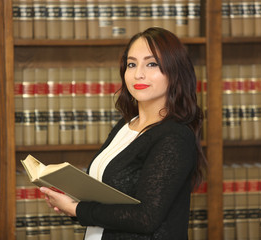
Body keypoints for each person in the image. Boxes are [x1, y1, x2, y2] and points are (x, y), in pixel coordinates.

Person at [40, 27, 207, 239]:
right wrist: (72, 204)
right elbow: (110, 199)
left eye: (152, 64)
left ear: (175, 71)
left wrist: (77, 209)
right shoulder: (126, 125)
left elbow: (146, 218)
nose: (138, 73)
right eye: (131, 64)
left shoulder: (174, 136)